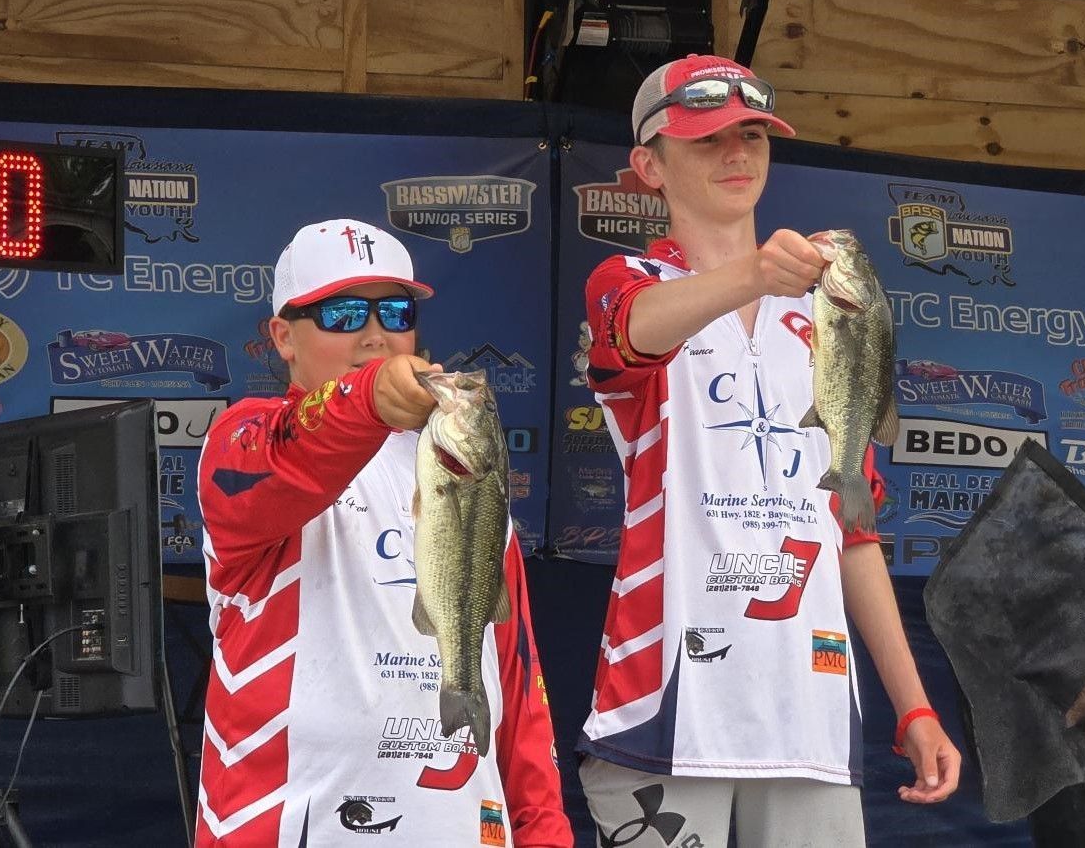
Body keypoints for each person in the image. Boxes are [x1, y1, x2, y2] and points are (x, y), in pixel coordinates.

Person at [575, 54, 961, 847]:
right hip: (667, 705)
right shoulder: (628, 279)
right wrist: (755, 273)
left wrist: (915, 705)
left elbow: (850, 527)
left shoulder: (829, 314)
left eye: (753, 135)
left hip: (807, 713)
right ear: (648, 164)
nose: (737, 154)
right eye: (707, 138)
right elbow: (631, 331)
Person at [194, 218, 573, 847]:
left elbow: (516, 686)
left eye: (395, 311)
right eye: (343, 313)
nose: (376, 334)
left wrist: (545, 833)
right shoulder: (245, 441)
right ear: (283, 336)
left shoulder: (465, 464)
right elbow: (287, 457)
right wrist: (368, 396)